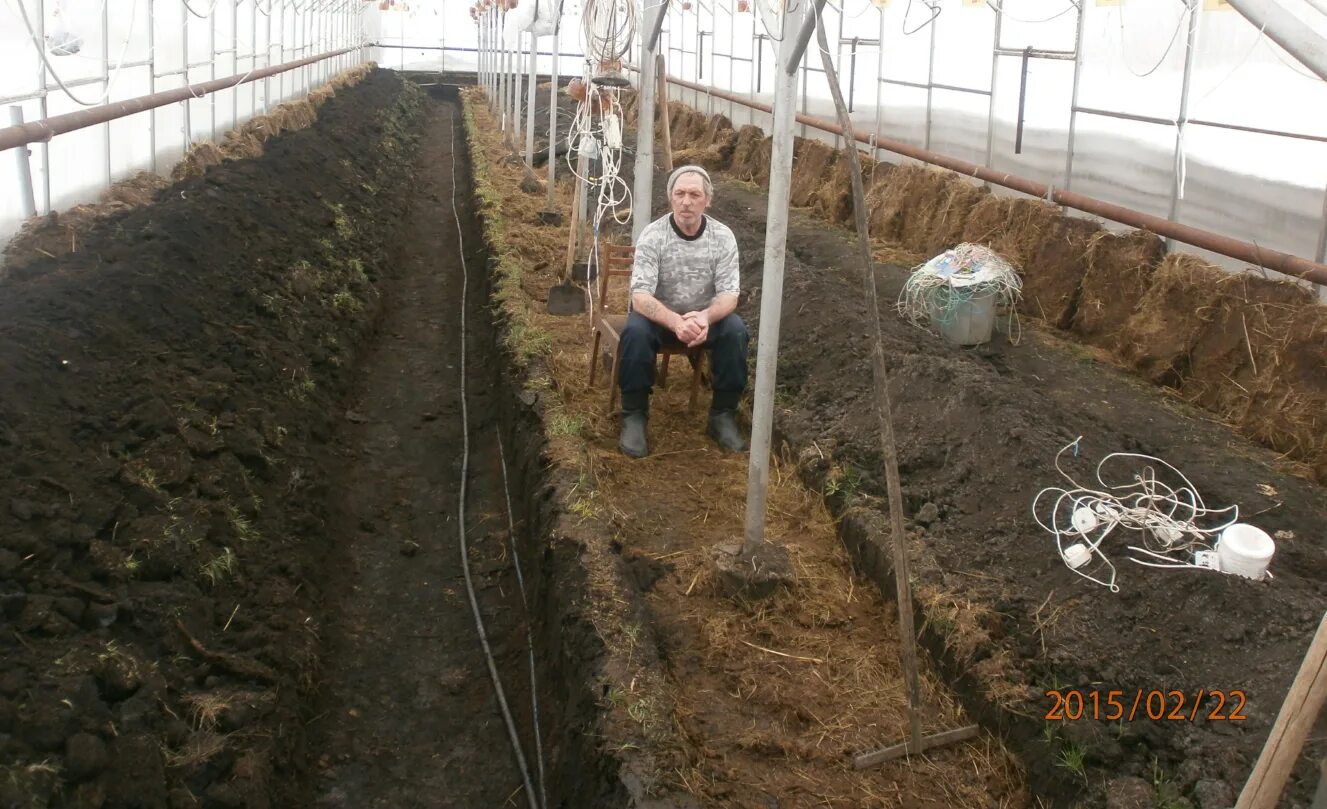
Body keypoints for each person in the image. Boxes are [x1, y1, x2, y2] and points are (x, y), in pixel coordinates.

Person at [618, 165, 749, 459]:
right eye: (680, 194)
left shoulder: (723, 237)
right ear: (670, 199)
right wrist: (675, 322)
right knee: (635, 333)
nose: (686, 201)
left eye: (694, 194)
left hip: (703, 319)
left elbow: (730, 294)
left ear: (707, 201)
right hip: (661, 317)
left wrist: (704, 317)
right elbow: (640, 296)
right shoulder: (653, 235)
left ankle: (722, 416)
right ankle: (634, 415)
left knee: (736, 332)